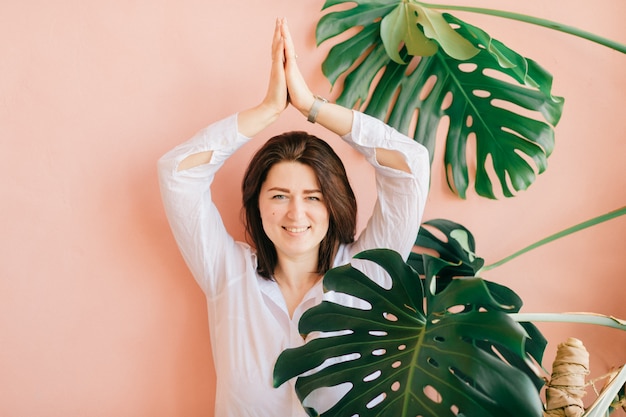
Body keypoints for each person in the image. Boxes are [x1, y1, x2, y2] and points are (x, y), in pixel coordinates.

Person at [158, 17, 430, 417]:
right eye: (280, 195)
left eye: (313, 197)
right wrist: (269, 109)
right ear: (257, 204)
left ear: (333, 204)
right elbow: (177, 172)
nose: (295, 213)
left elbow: (410, 165)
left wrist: (311, 107)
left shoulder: (368, 274)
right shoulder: (227, 273)